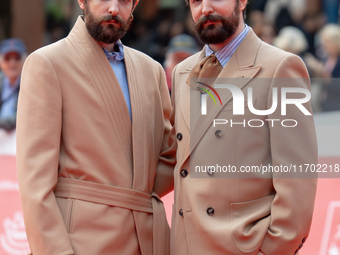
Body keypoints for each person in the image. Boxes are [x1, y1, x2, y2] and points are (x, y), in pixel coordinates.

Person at [16, 0, 174, 254]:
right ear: (82, 1)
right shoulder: (47, 63)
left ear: (134, 5)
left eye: (124, 1)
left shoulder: (151, 71)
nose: (113, 8)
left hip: (148, 238)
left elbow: (168, 157)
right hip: (80, 241)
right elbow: (35, 185)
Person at [169, 0, 318, 254]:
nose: (205, 9)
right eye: (195, 1)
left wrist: (271, 249)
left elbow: (298, 179)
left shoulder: (281, 68)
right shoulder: (181, 72)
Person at [0, 38, 26, 132]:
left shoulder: (31, 85)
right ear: (1, 62)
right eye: (7, 58)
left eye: (17, 57)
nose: (12, 63)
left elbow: (25, 117)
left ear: (24, 61)